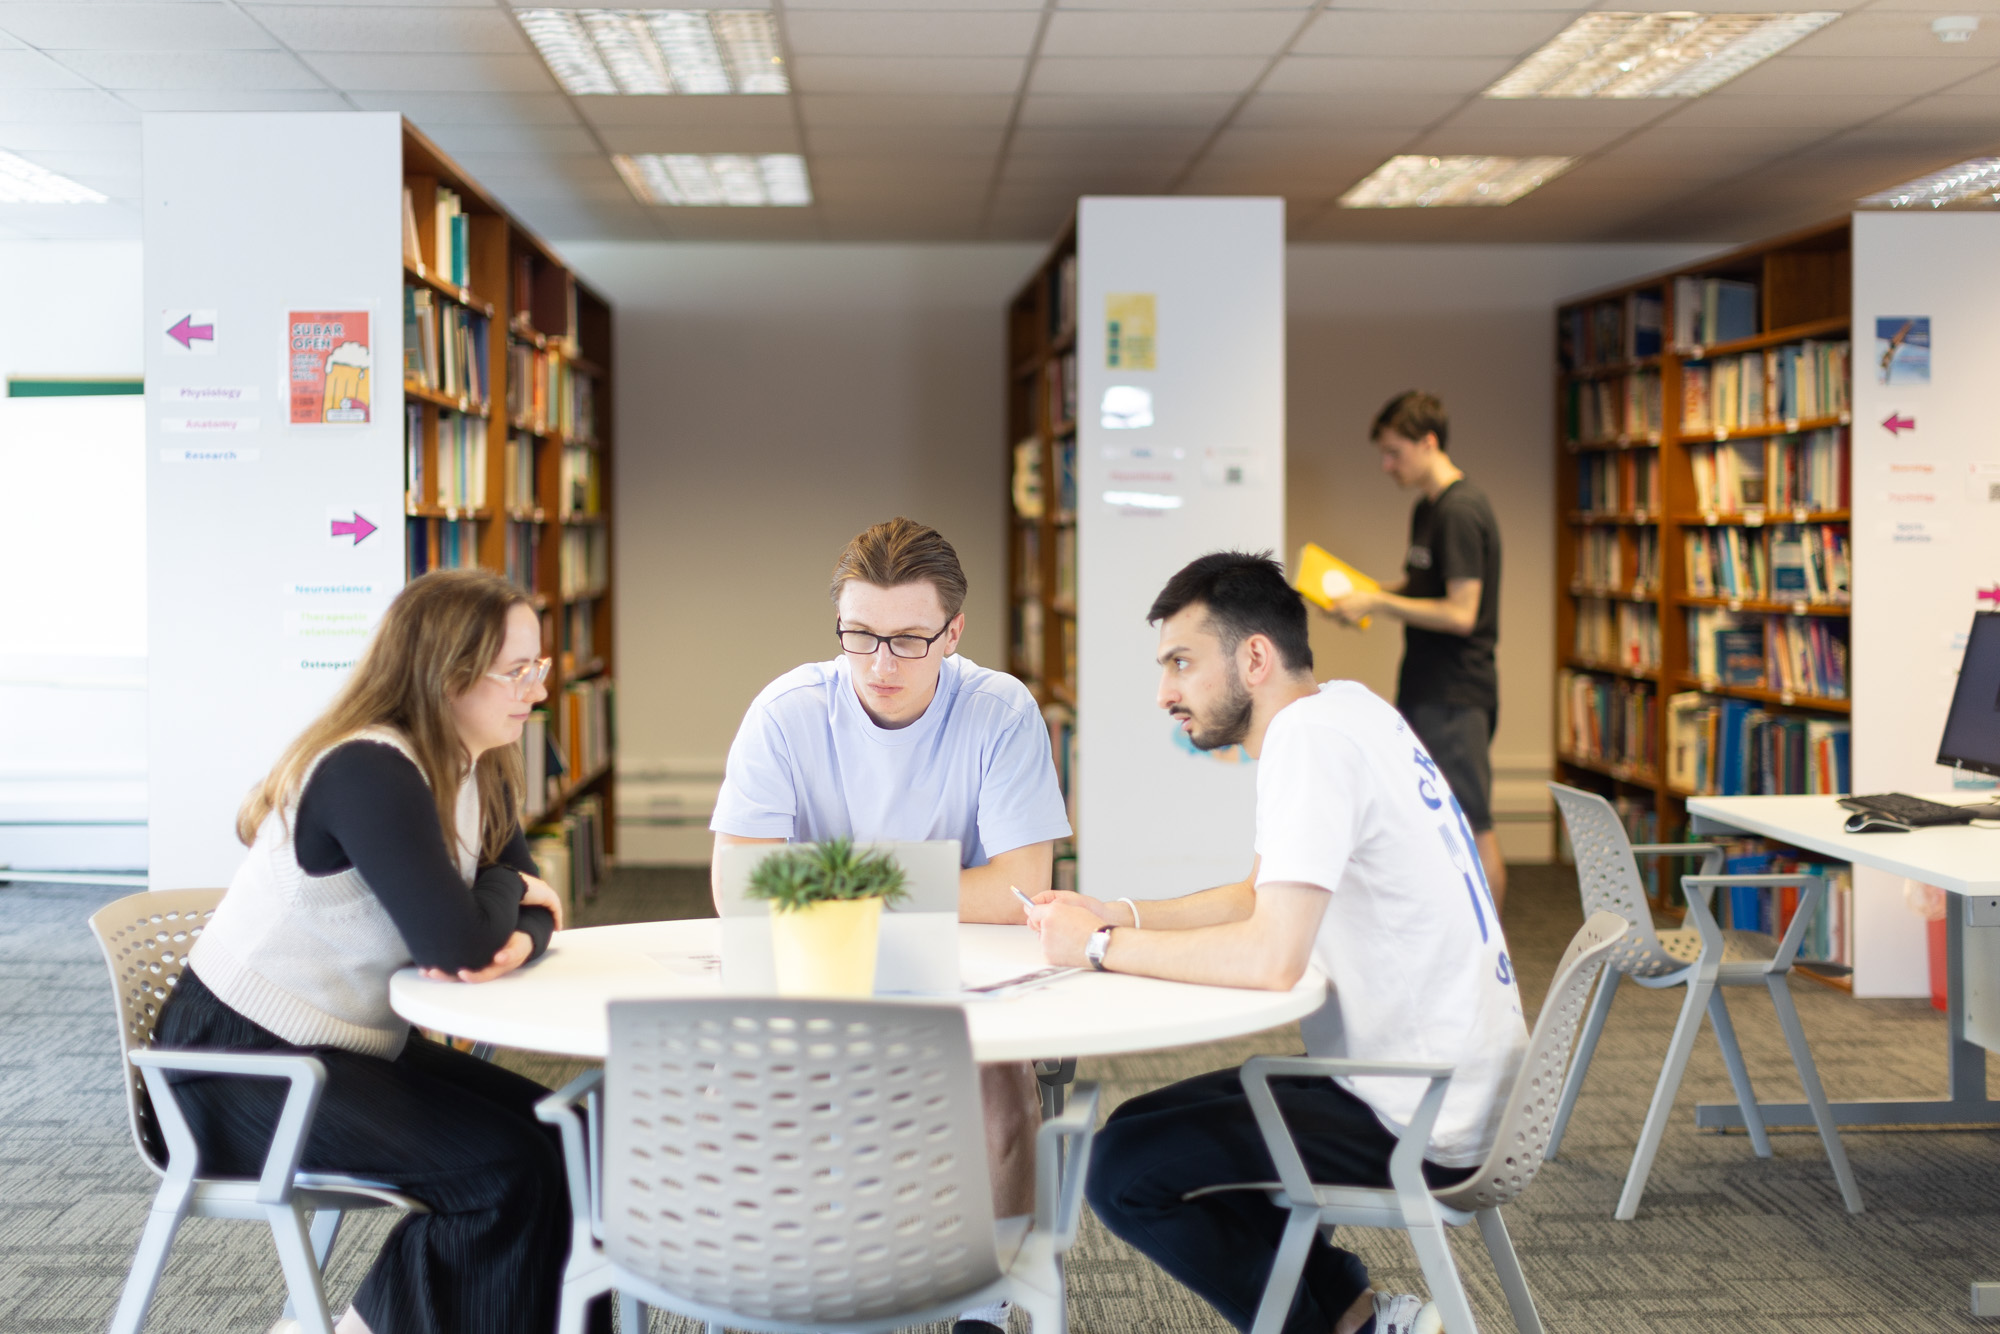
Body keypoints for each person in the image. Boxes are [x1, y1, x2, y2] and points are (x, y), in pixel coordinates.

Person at [1026, 552, 1526, 1334]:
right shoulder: (1350, 710)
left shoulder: (1308, 743)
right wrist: (1114, 911)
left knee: (1118, 1172)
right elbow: (1259, 895)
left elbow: (1270, 957)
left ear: (1253, 656)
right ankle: (1357, 1316)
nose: (1165, 693)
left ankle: (1326, 1327)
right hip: (1456, 1085)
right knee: (1129, 1131)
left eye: (1181, 664)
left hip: (1419, 1117)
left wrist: (1095, 947)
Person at [155, 569, 610, 1334]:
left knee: (572, 1141)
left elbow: (521, 890)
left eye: (540, 666)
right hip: (237, 1069)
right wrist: (506, 910)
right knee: (504, 1173)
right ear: (447, 676)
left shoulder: (482, 755)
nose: (536, 690)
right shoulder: (370, 769)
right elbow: (462, 942)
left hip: (352, 1044)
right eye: (517, 671)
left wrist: (513, 912)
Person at [709, 515, 1073, 1334]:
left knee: (1002, 1090)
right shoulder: (788, 711)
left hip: (965, 969)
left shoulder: (1000, 711)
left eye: (909, 639)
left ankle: (984, 1310)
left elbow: (1023, 886)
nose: (880, 664)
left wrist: (833, 877)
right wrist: (935, 880)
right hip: (817, 967)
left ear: (954, 633)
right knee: (752, 1087)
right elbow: (737, 888)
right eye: (860, 635)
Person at [1328, 390, 1507, 912]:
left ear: (1428, 442)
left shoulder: (1462, 510)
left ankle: (1492, 958)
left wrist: (1377, 602)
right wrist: (1362, 595)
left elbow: (1460, 612)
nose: (1387, 466)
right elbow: (1420, 584)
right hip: (1427, 685)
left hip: (1458, 691)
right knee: (1439, 819)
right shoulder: (1427, 508)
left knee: (1475, 824)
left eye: (1394, 453)